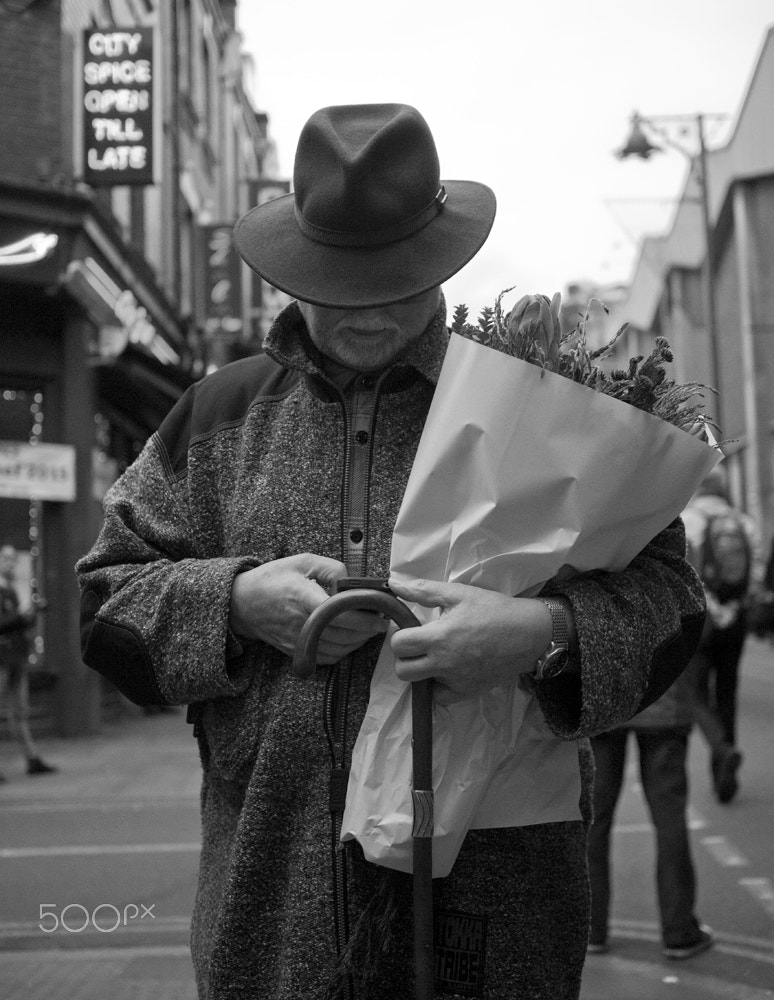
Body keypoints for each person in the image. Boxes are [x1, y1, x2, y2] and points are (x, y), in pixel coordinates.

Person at [76, 104, 706, 1000]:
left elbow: (672, 606)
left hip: (500, 923)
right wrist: (237, 601)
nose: (367, 307)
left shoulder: (548, 407)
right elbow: (105, 605)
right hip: (269, 916)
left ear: (442, 259)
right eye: (338, 280)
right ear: (296, 264)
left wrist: (539, 633)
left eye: (395, 278)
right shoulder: (217, 416)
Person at [587, 670, 713, 960]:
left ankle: (592, 927)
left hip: (607, 701)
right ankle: (679, 931)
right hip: (665, 702)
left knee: (595, 820)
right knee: (669, 818)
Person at [682, 468, 764, 804]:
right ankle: (724, 775)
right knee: (727, 691)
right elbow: (755, 571)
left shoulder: (690, 519)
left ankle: (721, 747)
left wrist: (711, 608)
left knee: (696, 690)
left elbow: (685, 570)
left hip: (703, 620)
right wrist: (737, 607)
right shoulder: (744, 522)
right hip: (735, 620)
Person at [0, 543, 57, 781]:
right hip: (1, 658)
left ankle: (31, 758)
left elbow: (15, 624)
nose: (11, 564)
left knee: (19, 712)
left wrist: (29, 616)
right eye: (6, 559)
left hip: (15, 657)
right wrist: (20, 617)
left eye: (13, 560)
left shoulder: (10, 591)